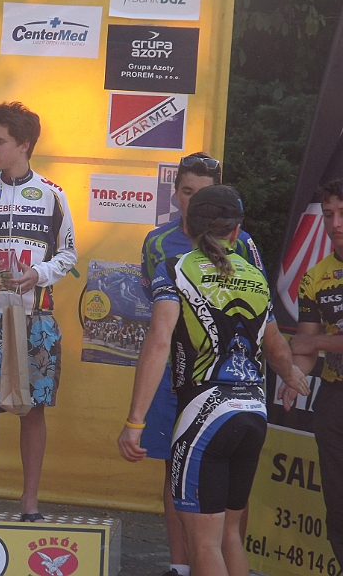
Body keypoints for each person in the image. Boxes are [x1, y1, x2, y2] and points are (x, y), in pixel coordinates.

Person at [118, 185, 309, 576]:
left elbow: (158, 342)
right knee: (230, 535)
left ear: (188, 227)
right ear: (236, 231)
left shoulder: (175, 269)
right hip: (253, 412)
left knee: (203, 543)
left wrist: (135, 422)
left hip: (204, 415)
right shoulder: (254, 275)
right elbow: (277, 350)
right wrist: (293, 376)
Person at [138, 153, 265, 576]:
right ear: (175, 194)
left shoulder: (243, 243)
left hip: (219, 382)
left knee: (225, 498)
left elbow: (260, 318)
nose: (194, 203)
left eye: (204, 195)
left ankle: (211, 563)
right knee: (176, 469)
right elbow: (157, 317)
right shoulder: (157, 242)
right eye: (187, 192)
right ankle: (180, 565)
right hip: (175, 375)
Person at [0, 102, 76, 522]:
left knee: (33, 408)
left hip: (36, 317)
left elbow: (68, 253)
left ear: (24, 145)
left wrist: (38, 274)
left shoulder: (53, 194)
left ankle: (29, 503)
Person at [288, 178, 343, 567]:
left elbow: (312, 342)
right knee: (337, 506)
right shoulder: (314, 277)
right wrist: (294, 377)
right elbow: (303, 346)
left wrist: (319, 343)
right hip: (334, 399)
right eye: (328, 214)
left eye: (342, 213)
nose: (335, 223)